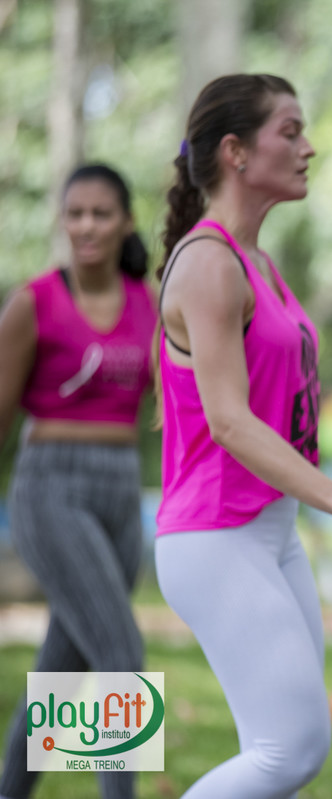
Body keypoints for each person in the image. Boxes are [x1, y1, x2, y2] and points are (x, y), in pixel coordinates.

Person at [154, 73, 332, 797]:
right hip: (216, 534)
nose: (308, 147)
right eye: (290, 131)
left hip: (268, 530)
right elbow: (229, 421)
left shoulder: (257, 263)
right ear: (236, 151)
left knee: (283, 751)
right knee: (291, 750)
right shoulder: (208, 263)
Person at [0, 164, 154, 799]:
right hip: (50, 487)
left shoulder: (149, 303)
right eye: (75, 213)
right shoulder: (32, 303)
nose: (86, 225)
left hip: (121, 486)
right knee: (122, 653)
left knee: (60, 672)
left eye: (101, 213)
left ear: (126, 222)